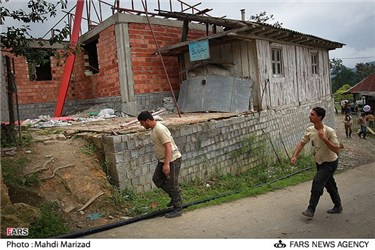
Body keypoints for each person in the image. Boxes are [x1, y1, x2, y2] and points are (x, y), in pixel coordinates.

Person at [291, 107, 342, 218]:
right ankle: (338, 206)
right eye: (310, 114)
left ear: (319, 117)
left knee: (317, 182)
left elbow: (337, 149)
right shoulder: (310, 130)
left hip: (330, 163)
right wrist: (295, 156)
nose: (310, 116)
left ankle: (311, 209)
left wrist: (324, 139)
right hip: (319, 162)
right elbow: (302, 143)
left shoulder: (329, 131)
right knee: (330, 185)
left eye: (312, 114)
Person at [137, 111, 183, 218]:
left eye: (142, 123)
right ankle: (175, 197)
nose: (142, 125)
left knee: (172, 184)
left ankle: (178, 208)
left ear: (147, 121)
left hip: (172, 159)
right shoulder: (153, 129)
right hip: (163, 160)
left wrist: (166, 164)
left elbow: (168, 147)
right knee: (157, 179)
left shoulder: (160, 129)